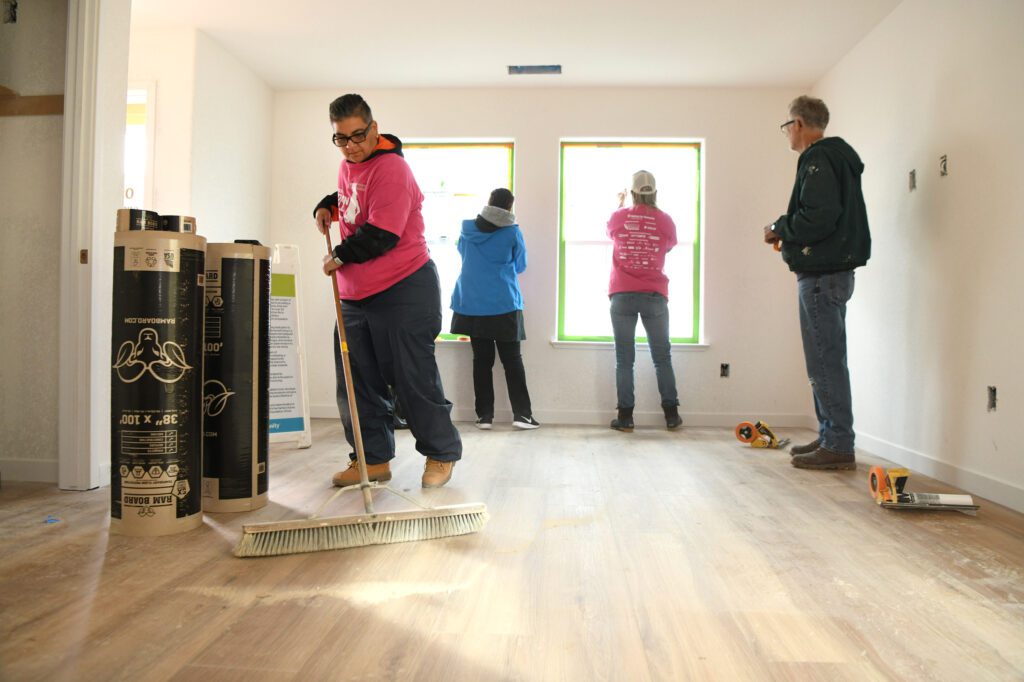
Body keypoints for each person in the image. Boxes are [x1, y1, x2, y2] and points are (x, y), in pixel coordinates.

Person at [314, 93, 462, 488]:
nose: (351, 145)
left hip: (403, 288)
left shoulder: (393, 169)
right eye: (341, 139)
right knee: (355, 380)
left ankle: (441, 454)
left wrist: (339, 256)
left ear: (374, 129)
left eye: (358, 136)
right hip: (354, 296)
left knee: (411, 378)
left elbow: (382, 234)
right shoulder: (350, 164)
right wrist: (326, 205)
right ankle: (371, 459)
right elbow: (352, 199)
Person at [763, 95, 871, 470]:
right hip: (830, 272)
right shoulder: (837, 159)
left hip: (822, 274)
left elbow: (818, 217)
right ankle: (830, 436)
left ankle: (839, 443)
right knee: (824, 360)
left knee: (825, 360)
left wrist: (779, 227)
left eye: (787, 127)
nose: (788, 135)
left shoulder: (817, 158)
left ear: (798, 125)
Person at [450, 188, 539, 430]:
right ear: (509, 207)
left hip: (471, 303)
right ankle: (522, 416)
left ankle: (484, 417)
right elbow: (521, 265)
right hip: (503, 303)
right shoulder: (512, 232)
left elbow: (463, 255)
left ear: (488, 204)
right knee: (512, 361)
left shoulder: (466, 230)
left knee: (482, 361)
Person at [606, 170, 682, 432]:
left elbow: (611, 231)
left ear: (634, 192)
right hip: (654, 296)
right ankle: (671, 415)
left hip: (622, 295)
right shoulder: (665, 221)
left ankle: (625, 417)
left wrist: (621, 204)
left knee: (624, 359)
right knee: (662, 357)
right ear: (655, 192)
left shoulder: (619, 217)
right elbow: (668, 246)